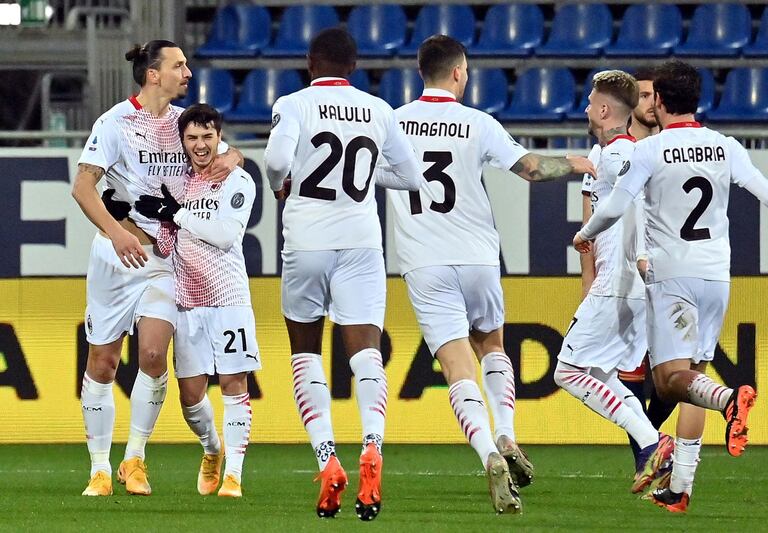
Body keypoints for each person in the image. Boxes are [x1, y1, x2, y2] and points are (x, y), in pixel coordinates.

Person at [574, 59, 768, 512]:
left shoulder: (650, 150)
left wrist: (584, 233)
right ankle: (680, 488)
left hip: (671, 274)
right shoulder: (724, 146)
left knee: (670, 380)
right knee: (693, 369)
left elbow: (617, 205)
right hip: (717, 275)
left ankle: (730, 399)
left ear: (657, 100)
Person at [384, 35, 596, 514]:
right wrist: (576, 162)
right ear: (459, 72)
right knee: (492, 346)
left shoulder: (391, 124)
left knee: (457, 367)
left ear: (423, 73)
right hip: (478, 257)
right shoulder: (477, 122)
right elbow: (531, 169)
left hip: (425, 262)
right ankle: (507, 432)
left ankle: (488, 455)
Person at [263, 27, 423, 520]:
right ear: (354, 67)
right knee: (366, 354)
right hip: (360, 240)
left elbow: (273, 160)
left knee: (305, 351)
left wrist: (281, 185)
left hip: (307, 240)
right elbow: (413, 178)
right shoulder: (379, 110)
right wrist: (368, 173)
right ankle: (372, 447)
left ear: (309, 62)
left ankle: (327, 460)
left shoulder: (293, 104)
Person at [72, 40, 239, 497]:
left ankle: (134, 459)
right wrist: (117, 231)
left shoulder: (184, 123)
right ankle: (99, 468)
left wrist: (233, 157)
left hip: (164, 257)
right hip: (115, 255)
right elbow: (83, 188)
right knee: (102, 363)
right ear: (153, 74)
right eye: (178, 65)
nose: (187, 72)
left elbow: (226, 152)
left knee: (151, 355)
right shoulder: (114, 123)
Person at [556, 70, 673, 496]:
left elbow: (636, 208)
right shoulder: (616, 153)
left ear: (605, 110)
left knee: (567, 371)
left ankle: (650, 441)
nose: (586, 109)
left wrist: (591, 238)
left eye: (590, 102)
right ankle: (649, 448)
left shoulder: (618, 156)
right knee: (604, 374)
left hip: (620, 282)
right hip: (631, 284)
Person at [134, 104, 259, 498]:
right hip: (188, 300)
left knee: (235, 383)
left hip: (229, 297)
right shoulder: (179, 183)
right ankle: (212, 449)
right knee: (190, 396)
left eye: (208, 137)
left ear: (220, 136)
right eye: (192, 138)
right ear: (183, 141)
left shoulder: (237, 179)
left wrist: (178, 214)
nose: (200, 145)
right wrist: (156, 221)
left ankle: (235, 475)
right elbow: (171, 243)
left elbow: (224, 235)